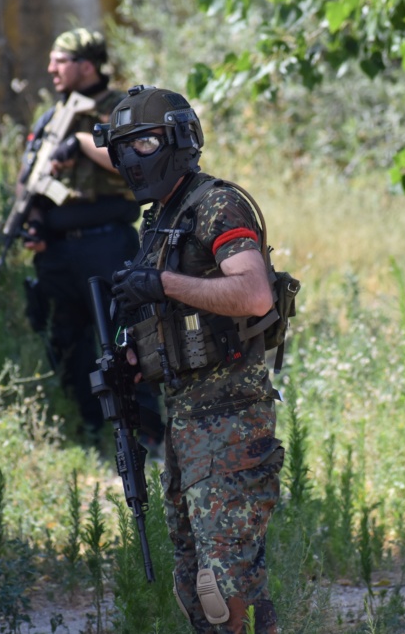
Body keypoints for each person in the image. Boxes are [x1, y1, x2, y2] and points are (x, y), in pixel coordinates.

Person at [95, 84, 285, 633]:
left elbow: (253, 293)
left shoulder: (215, 204)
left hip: (229, 419)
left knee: (224, 589)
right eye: (123, 146)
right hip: (186, 420)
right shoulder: (161, 219)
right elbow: (179, 321)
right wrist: (137, 361)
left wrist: (162, 283)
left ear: (181, 139)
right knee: (195, 586)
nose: (133, 158)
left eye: (147, 142)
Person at [17, 27, 161, 442]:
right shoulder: (53, 115)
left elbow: (135, 162)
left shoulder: (119, 108)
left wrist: (80, 143)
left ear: (85, 65)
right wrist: (34, 221)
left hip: (106, 242)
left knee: (124, 334)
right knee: (65, 338)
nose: (51, 68)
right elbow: (29, 176)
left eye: (59, 60)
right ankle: (90, 428)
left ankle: (145, 430)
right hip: (57, 250)